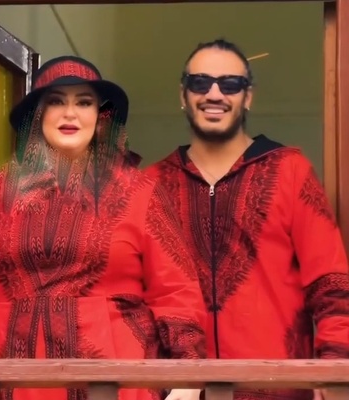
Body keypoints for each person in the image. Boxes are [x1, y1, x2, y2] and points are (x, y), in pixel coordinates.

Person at [0, 56, 206, 400]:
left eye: (84, 102)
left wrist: (188, 376)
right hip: (12, 380)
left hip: (117, 379)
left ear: (101, 116)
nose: (70, 113)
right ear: (36, 114)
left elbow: (175, 290)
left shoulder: (139, 191)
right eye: (56, 101)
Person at [144, 39, 349, 400]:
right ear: (183, 95)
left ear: (247, 97)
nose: (214, 94)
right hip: (180, 391)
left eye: (230, 84)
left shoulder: (290, 171)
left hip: (280, 390)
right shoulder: (152, 184)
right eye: (200, 82)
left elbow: (331, 283)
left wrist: (334, 367)